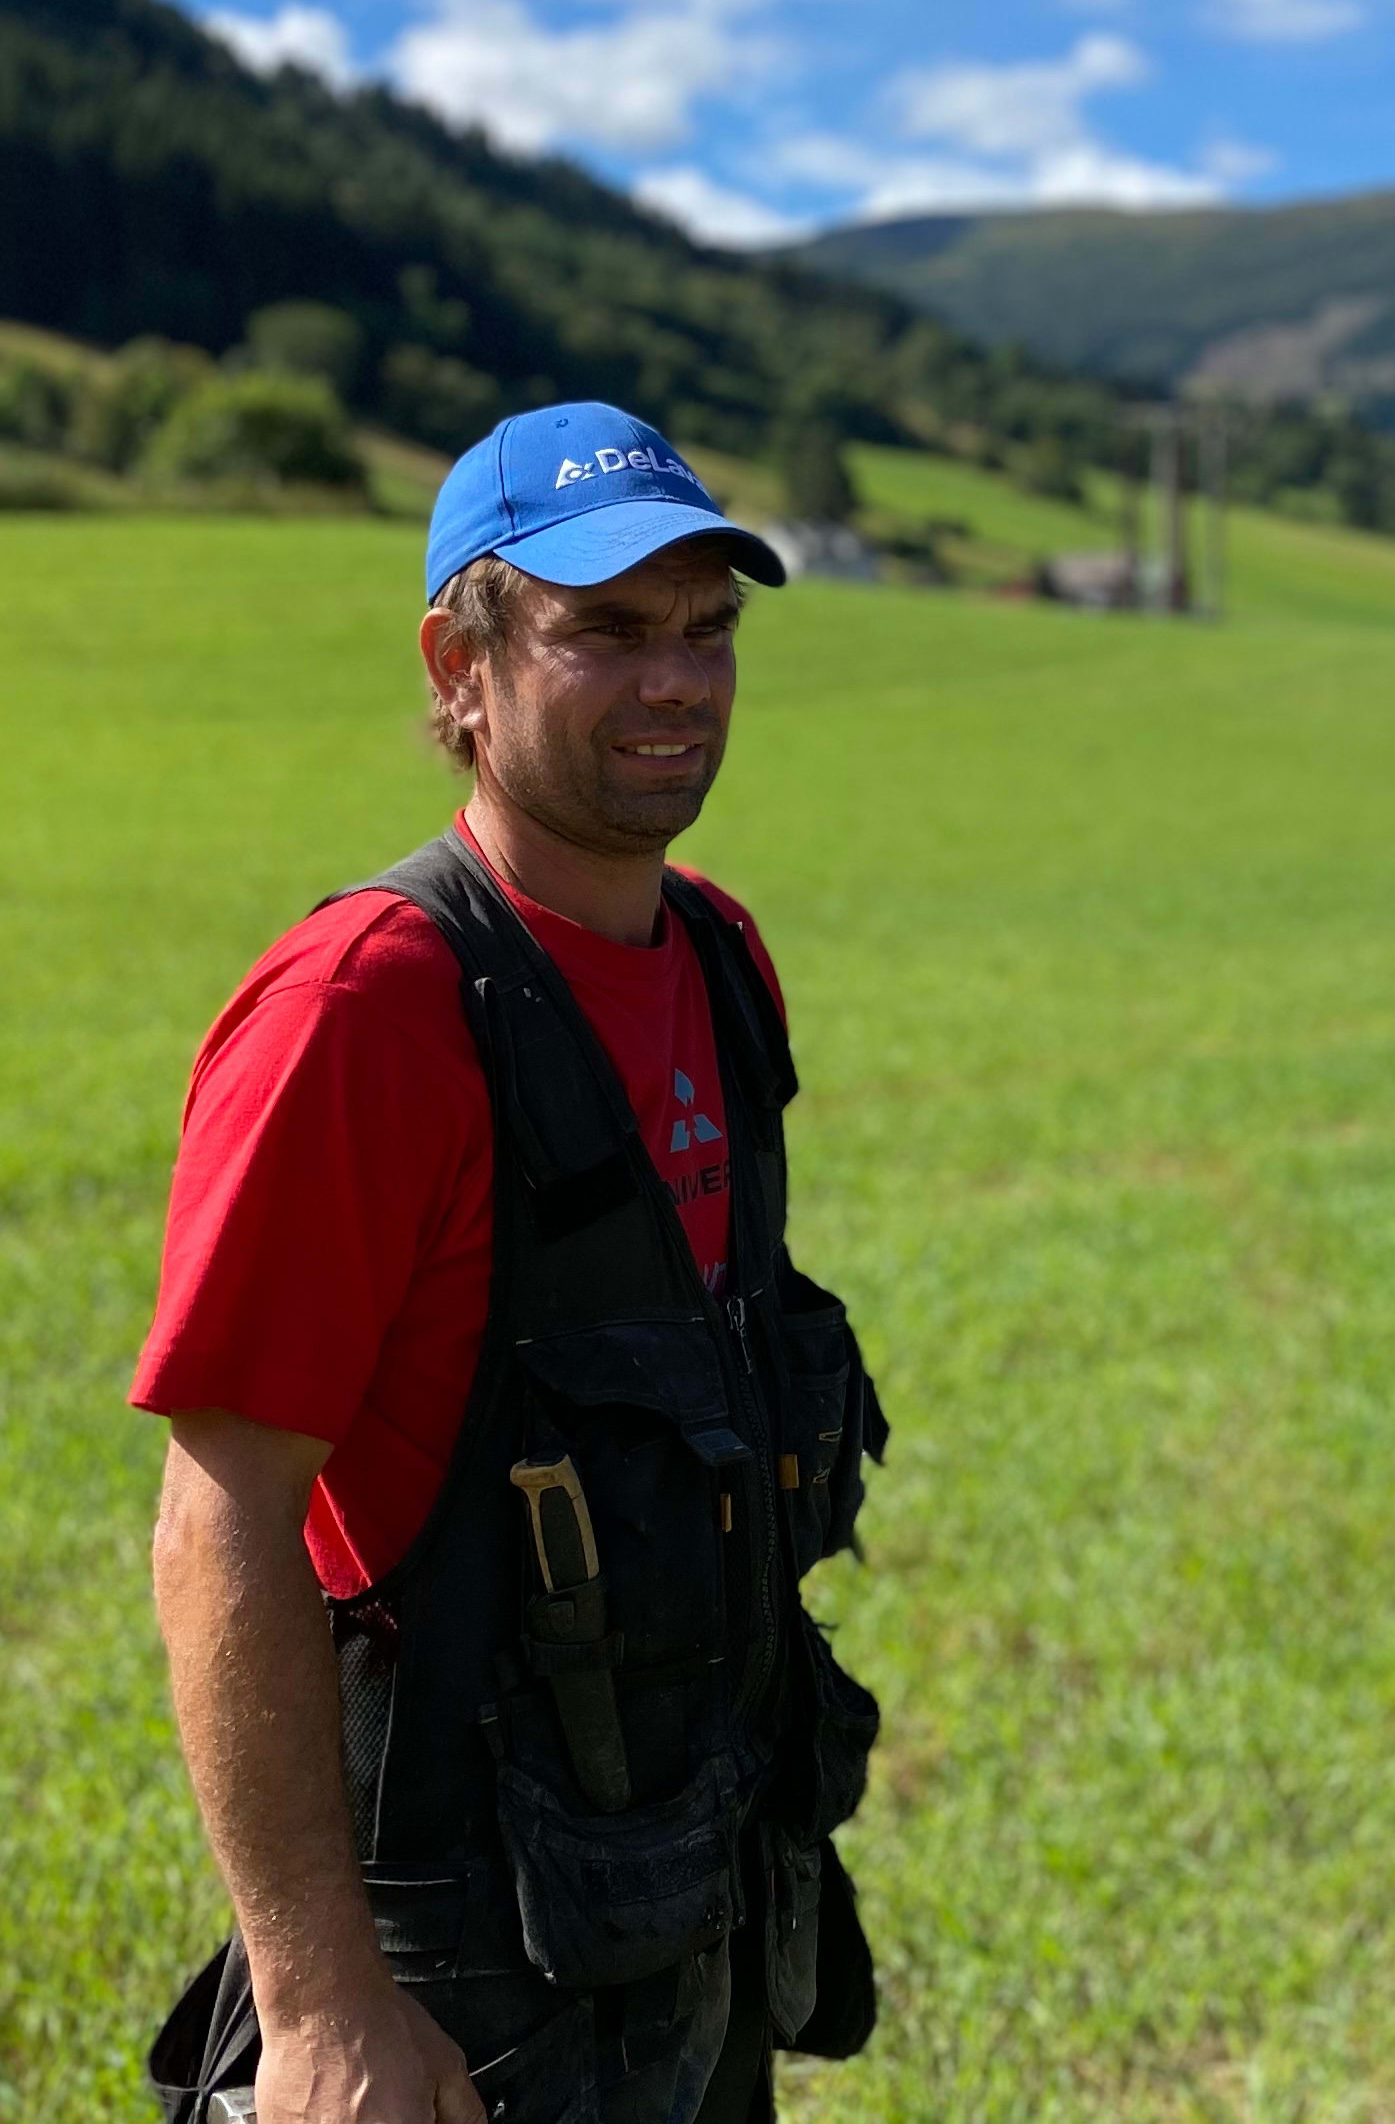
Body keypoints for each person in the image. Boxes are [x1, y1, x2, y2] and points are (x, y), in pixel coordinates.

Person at [134, 404, 888, 2124]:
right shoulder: (365, 1015)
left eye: (707, 627)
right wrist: (322, 2009)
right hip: (456, 1982)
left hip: (685, 1907)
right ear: (458, 669)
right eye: (605, 630)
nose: (676, 680)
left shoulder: (721, 958)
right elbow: (220, 1517)